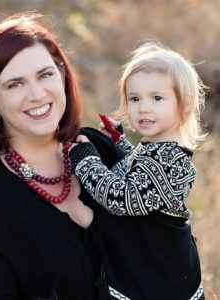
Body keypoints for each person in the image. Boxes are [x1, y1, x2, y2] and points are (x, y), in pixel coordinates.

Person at [0, 12, 126, 299]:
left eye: (45, 75)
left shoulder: (100, 148)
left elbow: (169, 248)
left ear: (62, 75)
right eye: (15, 84)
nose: (37, 94)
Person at [69, 43, 206, 299]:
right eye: (135, 98)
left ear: (183, 104)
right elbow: (139, 172)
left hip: (161, 279)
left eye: (157, 98)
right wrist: (118, 142)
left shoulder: (171, 159)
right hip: (153, 265)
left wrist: (86, 161)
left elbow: (123, 198)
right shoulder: (160, 148)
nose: (143, 107)